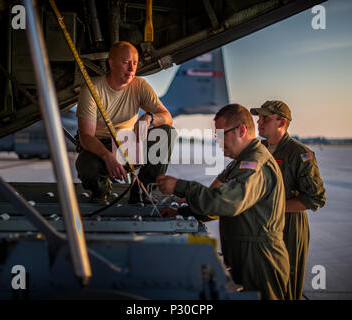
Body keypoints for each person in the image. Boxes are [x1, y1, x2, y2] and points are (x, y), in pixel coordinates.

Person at [157, 104, 290, 300]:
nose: (217, 142)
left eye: (220, 135)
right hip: (247, 257)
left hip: (261, 261)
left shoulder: (255, 164)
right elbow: (218, 205)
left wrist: (181, 186)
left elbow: (226, 203)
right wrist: (182, 213)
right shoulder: (240, 163)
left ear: (241, 130)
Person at [75, 41, 174, 203]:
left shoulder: (139, 85)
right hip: (101, 149)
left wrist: (149, 117)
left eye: (134, 63)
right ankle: (101, 192)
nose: (131, 69)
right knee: (86, 166)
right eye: (126, 62)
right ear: (112, 64)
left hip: (129, 145)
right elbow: (86, 136)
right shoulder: (92, 89)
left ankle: (142, 190)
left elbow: (167, 118)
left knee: (166, 133)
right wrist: (107, 156)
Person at [251, 100, 326, 300]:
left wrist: (273, 208)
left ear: (281, 122)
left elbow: (315, 198)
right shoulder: (257, 150)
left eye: (265, 117)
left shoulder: (300, 154)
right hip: (261, 226)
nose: (259, 122)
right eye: (259, 117)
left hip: (289, 228)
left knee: (286, 288)